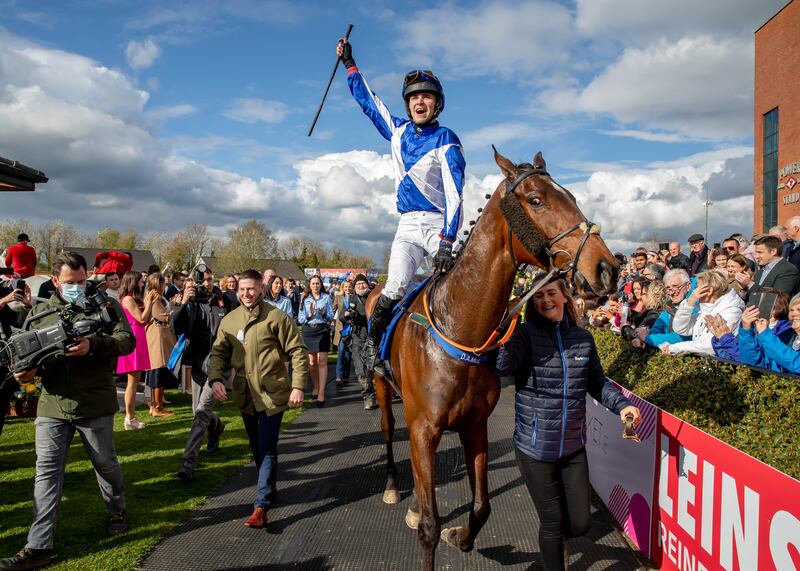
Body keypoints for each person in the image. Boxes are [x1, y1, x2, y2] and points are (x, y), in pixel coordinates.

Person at [493, 276, 640, 571]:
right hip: (534, 448)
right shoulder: (524, 334)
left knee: (581, 523)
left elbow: (596, 381)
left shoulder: (582, 338)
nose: (545, 300)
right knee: (552, 522)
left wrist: (622, 405)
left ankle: (555, 545)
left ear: (564, 297)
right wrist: (506, 333)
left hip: (573, 446)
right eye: (538, 296)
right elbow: (502, 367)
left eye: (550, 293)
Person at [337, 38, 465, 375]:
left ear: (437, 104)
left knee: (461, 286)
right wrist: (350, 65)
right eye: (414, 97)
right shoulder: (397, 131)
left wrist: (449, 240)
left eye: (427, 96)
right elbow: (369, 103)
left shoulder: (447, 139)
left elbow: (455, 194)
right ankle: (377, 350)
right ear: (408, 105)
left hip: (440, 225)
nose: (419, 101)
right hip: (408, 225)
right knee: (392, 288)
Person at [0, 252, 134, 570]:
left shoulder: (108, 306)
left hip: (94, 401)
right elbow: (27, 359)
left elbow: (127, 342)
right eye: (70, 282)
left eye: (81, 281)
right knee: (46, 473)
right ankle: (38, 546)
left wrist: (94, 346)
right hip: (52, 403)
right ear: (56, 281)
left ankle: (117, 509)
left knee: (105, 465)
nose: (77, 286)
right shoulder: (41, 313)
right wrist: (24, 373)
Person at [207, 269, 308, 529]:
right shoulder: (230, 320)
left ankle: (260, 505)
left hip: (272, 394)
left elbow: (297, 351)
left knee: (266, 447)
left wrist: (298, 386)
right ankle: (270, 487)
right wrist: (216, 379)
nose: (246, 294)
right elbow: (218, 354)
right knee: (256, 446)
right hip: (245, 394)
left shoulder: (276, 317)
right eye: (242, 290)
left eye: (251, 289)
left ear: (261, 289)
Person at [175, 277, 226, 481]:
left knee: (201, 411)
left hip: (217, 368)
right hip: (198, 365)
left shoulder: (222, 303)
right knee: (199, 411)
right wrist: (183, 303)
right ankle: (217, 426)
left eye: (208, 280)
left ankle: (188, 463)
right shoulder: (189, 306)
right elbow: (177, 328)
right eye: (200, 282)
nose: (204, 285)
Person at [661, 270, 744, 356]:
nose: (694, 290)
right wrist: (689, 302)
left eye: (697, 287)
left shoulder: (732, 312)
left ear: (709, 291)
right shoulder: (706, 309)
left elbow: (712, 346)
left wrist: (675, 348)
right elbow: (680, 329)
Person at [116, 271, 155, 430]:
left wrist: (149, 304)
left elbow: (147, 320)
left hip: (138, 338)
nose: (142, 284)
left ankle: (131, 417)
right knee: (132, 382)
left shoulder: (131, 299)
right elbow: (141, 319)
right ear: (133, 282)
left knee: (135, 380)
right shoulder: (128, 299)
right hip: (133, 340)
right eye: (140, 281)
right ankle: (130, 418)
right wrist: (149, 302)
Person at [708, 289, 791, 363]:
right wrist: (719, 338)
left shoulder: (784, 332)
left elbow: (749, 359)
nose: (749, 307)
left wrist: (726, 338)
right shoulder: (752, 327)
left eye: (756, 302)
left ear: (774, 310)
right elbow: (728, 358)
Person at [735, 294, 800, 374]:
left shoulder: (776, 337)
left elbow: (797, 364)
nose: (793, 314)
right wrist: (746, 331)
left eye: (799, 310)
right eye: (792, 310)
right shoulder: (787, 338)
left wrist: (765, 335)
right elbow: (756, 365)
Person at [0, 279, 32, 435]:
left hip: (3, 362)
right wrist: (3, 300)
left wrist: (26, 305)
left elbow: (17, 323)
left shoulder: (3, 304)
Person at [143, 272, 176, 418]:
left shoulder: (157, 296)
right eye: (163, 283)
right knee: (157, 373)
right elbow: (160, 316)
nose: (165, 286)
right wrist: (173, 312)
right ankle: (157, 407)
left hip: (161, 336)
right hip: (158, 337)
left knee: (158, 373)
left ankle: (156, 406)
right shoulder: (154, 297)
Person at [298, 275, 335, 405]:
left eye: (317, 283)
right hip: (308, 330)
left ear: (321, 285)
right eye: (313, 284)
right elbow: (300, 319)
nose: (315, 286)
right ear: (309, 285)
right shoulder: (304, 298)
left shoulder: (326, 298)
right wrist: (310, 314)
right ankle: (315, 386)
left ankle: (321, 392)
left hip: (322, 329)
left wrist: (323, 314)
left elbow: (331, 316)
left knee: (322, 361)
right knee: (312, 362)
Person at [333, 279, 354, 386]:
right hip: (341, 328)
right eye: (345, 287)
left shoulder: (355, 297)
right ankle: (338, 376)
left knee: (348, 354)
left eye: (349, 286)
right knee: (341, 351)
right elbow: (333, 309)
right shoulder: (339, 297)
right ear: (342, 287)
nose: (347, 289)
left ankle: (346, 376)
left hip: (352, 328)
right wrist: (330, 320)